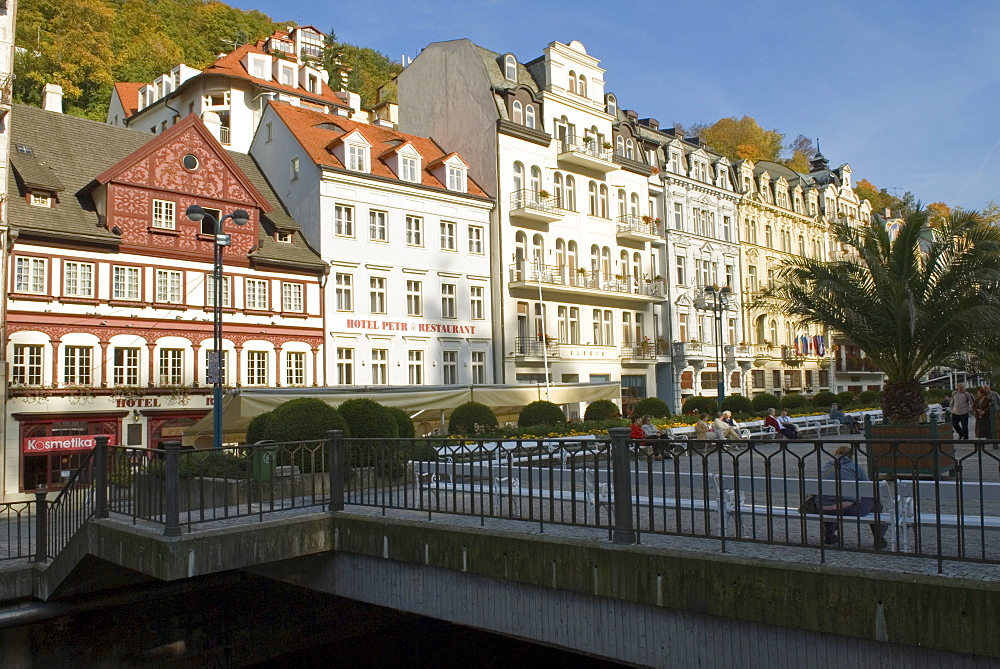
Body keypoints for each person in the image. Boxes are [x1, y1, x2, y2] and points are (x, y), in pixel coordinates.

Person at [820, 445, 889, 549]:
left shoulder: (826, 466)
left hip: (824, 509)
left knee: (830, 499)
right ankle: (879, 538)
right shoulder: (854, 466)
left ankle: (829, 536)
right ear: (851, 456)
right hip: (848, 509)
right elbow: (868, 487)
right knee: (874, 499)